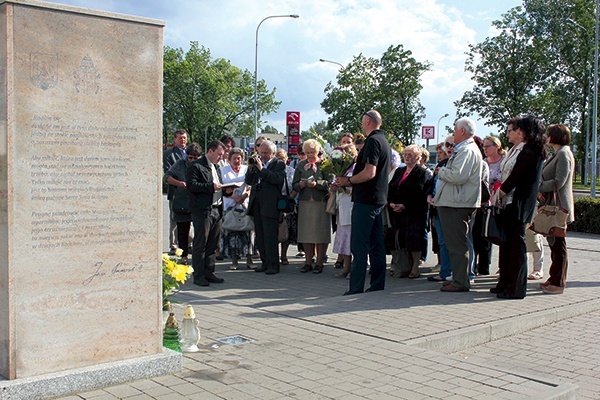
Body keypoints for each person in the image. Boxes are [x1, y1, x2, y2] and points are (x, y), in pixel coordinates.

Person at [336, 110, 391, 295]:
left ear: (368, 121)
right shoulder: (384, 141)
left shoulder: (373, 142)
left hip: (366, 200)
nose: (361, 125)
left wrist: (348, 181)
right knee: (376, 244)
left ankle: (356, 287)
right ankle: (377, 284)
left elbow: (370, 172)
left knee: (359, 245)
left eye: (362, 122)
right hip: (378, 199)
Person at [492, 115, 546, 299]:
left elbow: (516, 177)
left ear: (522, 132)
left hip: (519, 203)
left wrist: (499, 192)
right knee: (507, 244)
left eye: (512, 130)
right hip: (509, 202)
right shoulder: (517, 149)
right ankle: (505, 283)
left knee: (516, 246)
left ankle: (516, 287)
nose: (508, 133)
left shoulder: (531, 151)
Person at [433, 118, 482, 293]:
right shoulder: (464, 149)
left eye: (455, 129)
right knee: (454, 244)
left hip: (458, 204)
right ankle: (458, 277)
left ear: (462, 131)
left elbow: (458, 176)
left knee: (457, 244)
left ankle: (461, 281)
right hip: (455, 202)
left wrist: (441, 171)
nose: (453, 132)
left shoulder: (467, 150)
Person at [538, 124, 575, 295]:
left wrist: (539, 186)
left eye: (549, 134)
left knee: (559, 245)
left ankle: (559, 282)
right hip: (552, 204)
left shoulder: (563, 154)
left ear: (556, 136)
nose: (546, 136)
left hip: (559, 207)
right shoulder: (557, 154)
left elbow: (559, 181)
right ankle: (554, 277)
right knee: (554, 244)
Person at [186, 140, 226, 287]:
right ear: (210, 151)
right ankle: (199, 275)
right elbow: (191, 186)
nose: (221, 157)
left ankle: (209, 272)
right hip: (203, 210)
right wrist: (211, 187)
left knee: (212, 244)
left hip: (217, 209)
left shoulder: (216, 167)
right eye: (219, 154)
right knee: (200, 243)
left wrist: (226, 190)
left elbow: (218, 186)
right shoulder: (196, 166)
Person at [388, 145, 430, 279]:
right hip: (396, 212)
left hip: (414, 212)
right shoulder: (399, 171)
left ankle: (415, 267)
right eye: (405, 154)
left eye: (410, 155)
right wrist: (391, 203)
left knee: (414, 240)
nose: (407, 157)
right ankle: (401, 265)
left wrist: (405, 205)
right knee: (399, 239)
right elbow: (391, 187)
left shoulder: (421, 173)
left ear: (418, 157)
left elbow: (419, 192)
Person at [245, 140, 286, 274]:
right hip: (257, 202)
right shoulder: (257, 163)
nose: (263, 155)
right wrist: (251, 169)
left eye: (267, 153)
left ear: (273, 153)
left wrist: (262, 169)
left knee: (270, 235)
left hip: (270, 204)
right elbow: (249, 181)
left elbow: (276, 179)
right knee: (260, 235)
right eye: (261, 152)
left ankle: (273, 265)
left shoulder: (278, 164)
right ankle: (264, 262)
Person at [293, 139, 331, 274]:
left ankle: (320, 262)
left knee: (321, 233)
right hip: (305, 203)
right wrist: (301, 185)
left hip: (320, 203)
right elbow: (294, 185)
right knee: (306, 234)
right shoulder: (300, 165)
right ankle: (308, 262)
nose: (310, 155)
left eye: (312, 152)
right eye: (307, 152)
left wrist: (318, 184)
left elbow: (330, 183)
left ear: (318, 151)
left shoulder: (325, 165)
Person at [164, 143, 201, 264]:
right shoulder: (180, 164)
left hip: (197, 201)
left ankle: (198, 255)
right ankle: (183, 255)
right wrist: (180, 183)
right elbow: (167, 177)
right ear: (187, 156)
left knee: (199, 230)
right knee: (182, 230)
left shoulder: (202, 165)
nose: (192, 160)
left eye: (195, 158)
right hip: (182, 201)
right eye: (190, 157)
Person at [220, 147, 253, 270]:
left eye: (239, 158)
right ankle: (234, 261)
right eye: (234, 158)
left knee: (248, 233)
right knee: (232, 233)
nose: (236, 161)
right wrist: (234, 197)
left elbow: (251, 186)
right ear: (229, 160)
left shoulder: (246, 170)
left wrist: (243, 196)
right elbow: (221, 188)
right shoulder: (223, 170)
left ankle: (249, 259)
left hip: (245, 204)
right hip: (230, 205)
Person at [330, 143, 358, 278]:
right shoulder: (340, 170)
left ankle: (355, 268)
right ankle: (346, 267)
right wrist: (335, 187)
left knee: (353, 238)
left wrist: (346, 187)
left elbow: (359, 188)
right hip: (342, 208)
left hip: (352, 207)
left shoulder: (356, 168)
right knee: (345, 238)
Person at [163, 128, 189, 254]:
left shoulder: (190, 152)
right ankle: (173, 244)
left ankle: (187, 243)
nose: (182, 140)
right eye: (180, 138)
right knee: (174, 218)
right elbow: (168, 171)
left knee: (188, 218)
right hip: (176, 192)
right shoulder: (169, 154)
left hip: (189, 193)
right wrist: (180, 182)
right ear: (174, 139)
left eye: (184, 137)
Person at [276, 148, 298, 266]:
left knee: (286, 232)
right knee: (274, 231)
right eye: (277, 159)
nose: (280, 161)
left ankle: (284, 255)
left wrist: (289, 198)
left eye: (282, 159)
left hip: (287, 203)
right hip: (274, 203)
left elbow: (296, 186)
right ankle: (274, 255)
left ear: (286, 159)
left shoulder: (291, 171)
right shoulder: (271, 171)